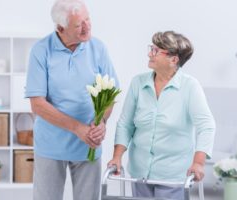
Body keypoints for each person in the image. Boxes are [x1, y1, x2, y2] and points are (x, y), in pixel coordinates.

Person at [25, 0, 118, 200]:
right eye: (78, 25)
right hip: (51, 145)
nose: (87, 27)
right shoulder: (41, 51)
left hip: (89, 145)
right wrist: (78, 128)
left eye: (88, 19)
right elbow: (38, 104)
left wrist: (102, 121)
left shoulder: (98, 48)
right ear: (60, 28)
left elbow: (111, 93)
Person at [108, 31, 215, 200]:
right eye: (151, 48)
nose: (150, 53)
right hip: (140, 173)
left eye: (156, 51)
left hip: (172, 176)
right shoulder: (138, 83)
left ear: (174, 59)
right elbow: (125, 123)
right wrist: (117, 157)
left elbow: (206, 126)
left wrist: (198, 162)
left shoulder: (190, 87)